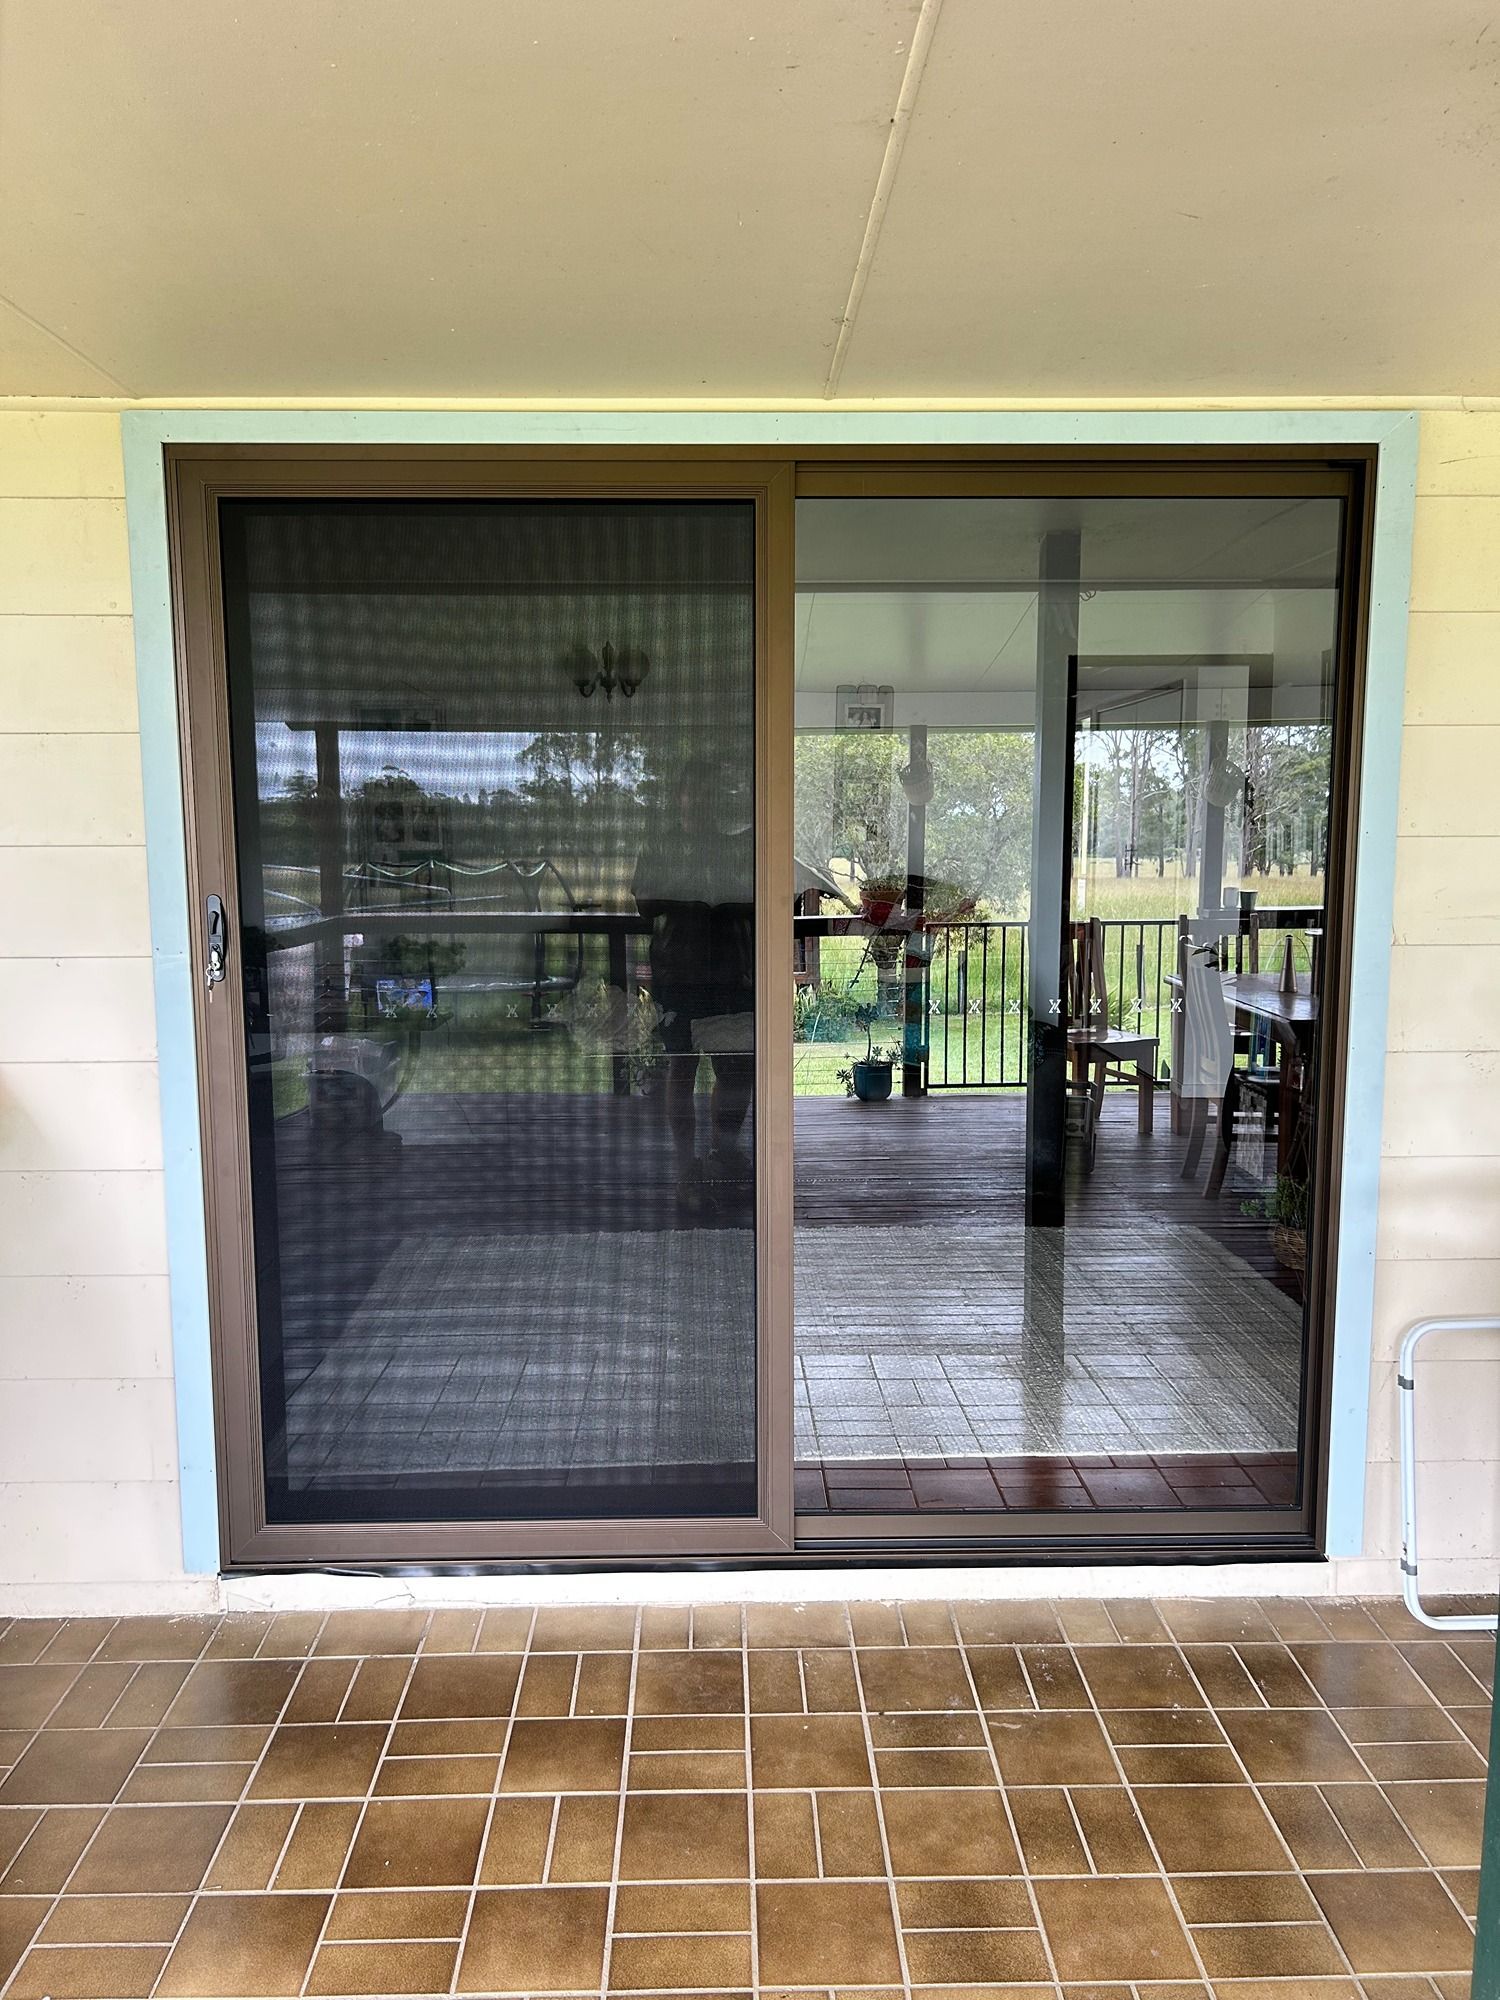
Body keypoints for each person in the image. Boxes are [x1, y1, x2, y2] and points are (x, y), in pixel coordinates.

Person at [633, 755, 754, 1216]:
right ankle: (687, 1170)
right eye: (694, 790)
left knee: (733, 1072)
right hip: (677, 975)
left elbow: (750, 900)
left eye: (710, 791)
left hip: (729, 976)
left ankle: (724, 1156)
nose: (702, 799)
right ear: (680, 796)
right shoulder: (660, 847)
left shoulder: (736, 848)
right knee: (682, 1071)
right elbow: (644, 903)